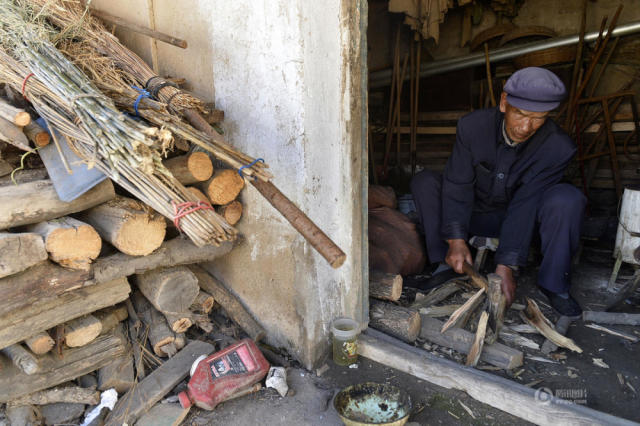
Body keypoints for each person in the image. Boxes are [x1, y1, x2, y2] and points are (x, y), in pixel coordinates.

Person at [411, 67, 586, 317]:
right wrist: (456, 239)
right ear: (504, 103)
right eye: (521, 114)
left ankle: (554, 284)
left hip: (521, 224)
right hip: (474, 213)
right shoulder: (472, 127)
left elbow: (527, 202)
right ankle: (446, 263)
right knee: (425, 182)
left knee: (568, 199)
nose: (526, 127)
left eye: (539, 118)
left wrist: (507, 265)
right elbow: (457, 183)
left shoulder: (558, 147)